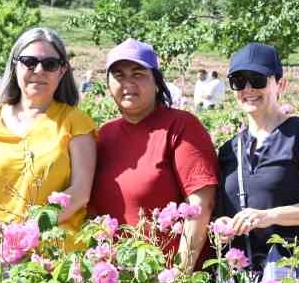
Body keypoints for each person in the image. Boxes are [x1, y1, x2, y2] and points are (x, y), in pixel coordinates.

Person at [88, 39, 217, 268]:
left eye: (138, 74)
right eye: (119, 75)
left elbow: (200, 205)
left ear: (156, 82)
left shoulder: (181, 127)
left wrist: (179, 275)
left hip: (165, 276)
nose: (128, 83)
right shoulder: (105, 134)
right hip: (117, 275)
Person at [216, 43, 299, 282]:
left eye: (258, 79)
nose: (248, 88)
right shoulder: (229, 149)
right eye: (238, 81)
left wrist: (269, 216)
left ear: (280, 84)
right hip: (238, 279)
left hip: (287, 275)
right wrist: (221, 225)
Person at [0, 28, 97, 228]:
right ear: (14, 65)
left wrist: (29, 231)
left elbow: (80, 192)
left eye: (50, 64)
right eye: (29, 62)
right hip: (0, 249)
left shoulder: (76, 122)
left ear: (62, 71)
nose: (39, 70)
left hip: (57, 251)